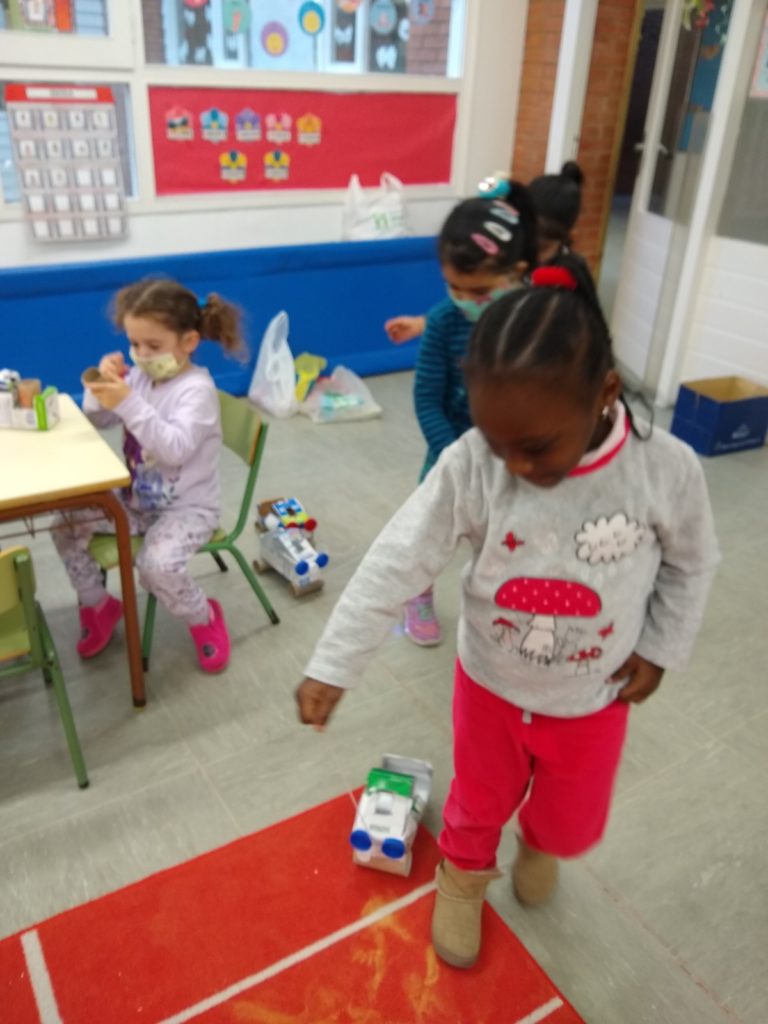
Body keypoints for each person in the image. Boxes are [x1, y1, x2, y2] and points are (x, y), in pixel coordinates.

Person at [295, 257, 720, 970]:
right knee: (476, 802)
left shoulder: (665, 469)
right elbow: (398, 559)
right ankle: (462, 878)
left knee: (569, 821)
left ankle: (541, 843)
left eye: (537, 446)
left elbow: (692, 562)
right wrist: (335, 662)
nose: (515, 467)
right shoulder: (473, 462)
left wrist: (660, 646)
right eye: (497, 442)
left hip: (592, 697)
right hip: (490, 685)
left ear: (605, 393)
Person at [52, 278, 244, 674]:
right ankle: (99, 605)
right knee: (65, 523)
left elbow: (174, 449)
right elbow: (99, 419)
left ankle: (204, 616)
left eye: (153, 346)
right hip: (136, 500)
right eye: (134, 344)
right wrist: (104, 386)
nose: (141, 355)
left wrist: (130, 403)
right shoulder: (140, 376)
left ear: (188, 342)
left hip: (187, 510)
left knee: (156, 567)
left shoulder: (196, 391)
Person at [400, 183, 538, 646]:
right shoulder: (444, 321)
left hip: (512, 461)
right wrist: (455, 455)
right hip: (451, 454)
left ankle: (497, 600)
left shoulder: (533, 318)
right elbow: (427, 399)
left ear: (516, 273)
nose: (463, 297)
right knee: (430, 534)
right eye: (453, 286)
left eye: (477, 290)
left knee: (505, 538)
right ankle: (418, 591)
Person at [384, 162, 588, 345]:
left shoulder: (559, 280)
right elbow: (457, 310)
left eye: (541, 249)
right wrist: (424, 323)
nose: (466, 300)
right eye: (455, 288)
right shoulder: (497, 270)